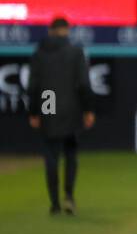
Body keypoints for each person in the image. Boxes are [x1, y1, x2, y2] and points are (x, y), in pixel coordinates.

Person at [27, 16, 94, 215]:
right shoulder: (75, 52)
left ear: (50, 30)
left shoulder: (40, 54)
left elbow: (33, 86)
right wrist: (88, 109)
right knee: (71, 154)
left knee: (51, 156)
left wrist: (33, 112)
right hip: (71, 107)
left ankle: (54, 203)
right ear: (67, 30)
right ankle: (69, 197)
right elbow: (83, 84)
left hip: (49, 104)